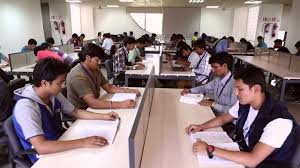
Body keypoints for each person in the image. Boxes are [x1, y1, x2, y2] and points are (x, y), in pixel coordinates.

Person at [186, 66, 297, 168]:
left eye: (240, 89)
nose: (236, 93)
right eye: (235, 89)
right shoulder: (245, 103)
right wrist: (201, 127)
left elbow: (253, 160)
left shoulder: (279, 121)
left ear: (256, 89)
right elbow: (224, 118)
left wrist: (210, 149)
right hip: (244, 152)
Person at [12, 58, 119, 163]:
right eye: (60, 83)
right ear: (44, 83)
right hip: (44, 156)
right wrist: (83, 142)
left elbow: (75, 112)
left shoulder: (53, 94)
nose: (63, 86)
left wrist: (104, 116)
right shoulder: (26, 107)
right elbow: (41, 147)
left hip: (60, 140)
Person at [66, 43, 140, 109]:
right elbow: (93, 103)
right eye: (97, 60)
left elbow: (109, 88)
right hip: (82, 111)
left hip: (93, 105)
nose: (99, 63)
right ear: (87, 57)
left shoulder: (94, 69)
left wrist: (128, 91)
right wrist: (121, 104)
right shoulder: (77, 76)